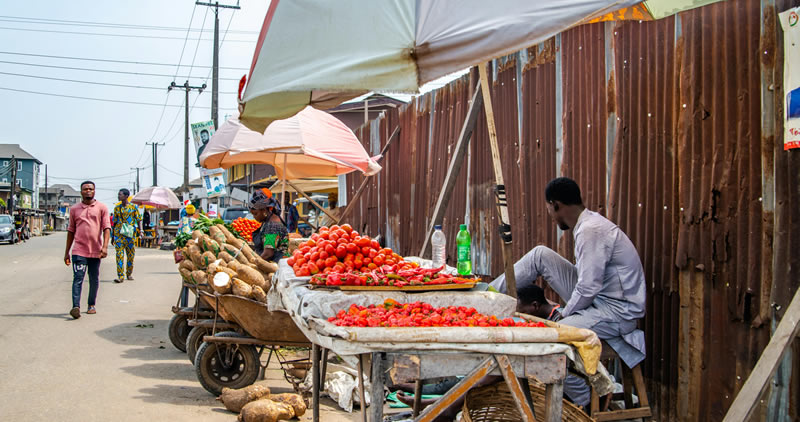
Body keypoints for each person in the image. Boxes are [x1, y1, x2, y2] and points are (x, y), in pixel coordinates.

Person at [490, 177, 646, 407]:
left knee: (548, 338)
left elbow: (588, 287)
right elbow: (589, 284)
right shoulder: (586, 224)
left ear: (555, 205)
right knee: (540, 254)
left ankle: (592, 400)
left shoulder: (591, 230)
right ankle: (490, 296)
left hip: (617, 312)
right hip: (598, 299)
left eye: (550, 210)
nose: (551, 216)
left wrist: (564, 316)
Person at [64, 181, 111, 319]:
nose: (88, 191)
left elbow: (106, 228)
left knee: (94, 278)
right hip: (79, 250)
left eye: (91, 189)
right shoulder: (74, 209)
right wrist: (67, 251)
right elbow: (71, 231)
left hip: (96, 250)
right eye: (85, 189)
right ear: (81, 192)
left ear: (94, 191)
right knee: (78, 277)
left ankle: (91, 304)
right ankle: (76, 307)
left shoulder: (102, 208)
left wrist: (105, 247)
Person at [249, 189, 288, 262]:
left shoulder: (272, 226)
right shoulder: (267, 221)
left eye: (255, 213)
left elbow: (268, 254)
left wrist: (253, 264)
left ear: (264, 210)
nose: (254, 217)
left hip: (276, 265)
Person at [112, 188, 141, 283]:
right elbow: (114, 223)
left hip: (130, 235)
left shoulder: (133, 207)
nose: (118, 196)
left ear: (126, 196)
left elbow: (138, 219)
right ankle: (120, 276)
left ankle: (129, 273)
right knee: (119, 255)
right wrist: (113, 236)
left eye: (120, 194)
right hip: (119, 235)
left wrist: (140, 230)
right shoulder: (117, 208)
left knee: (130, 255)